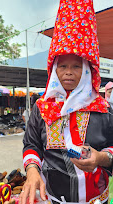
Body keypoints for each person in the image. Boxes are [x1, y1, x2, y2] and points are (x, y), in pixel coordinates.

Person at [20, 1, 113, 204]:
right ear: (54, 69)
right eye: (62, 66)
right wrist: (32, 170)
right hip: (53, 200)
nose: (68, 72)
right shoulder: (42, 107)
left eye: (76, 66)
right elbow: (31, 144)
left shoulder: (103, 109)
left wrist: (101, 158)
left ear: (87, 69)